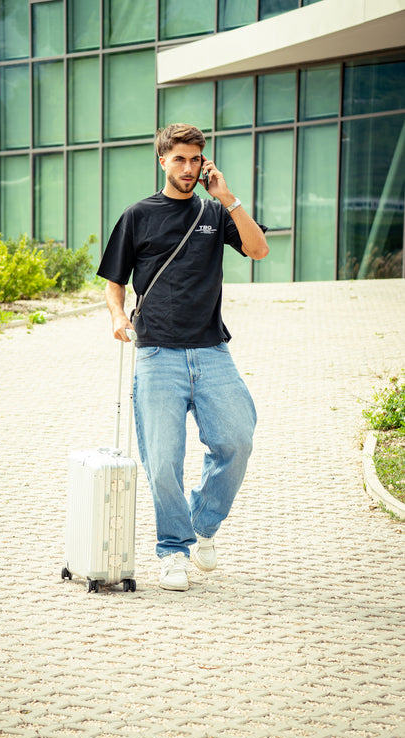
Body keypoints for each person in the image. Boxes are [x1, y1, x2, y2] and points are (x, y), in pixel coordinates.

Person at [97, 123, 269, 591]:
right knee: (163, 461)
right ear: (163, 161)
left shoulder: (215, 213)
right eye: (180, 159)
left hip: (212, 351)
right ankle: (173, 549)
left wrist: (228, 197)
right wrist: (117, 316)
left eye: (196, 159)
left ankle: (201, 524)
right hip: (156, 354)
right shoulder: (138, 215)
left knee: (237, 439)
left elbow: (258, 249)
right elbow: (115, 279)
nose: (189, 168)